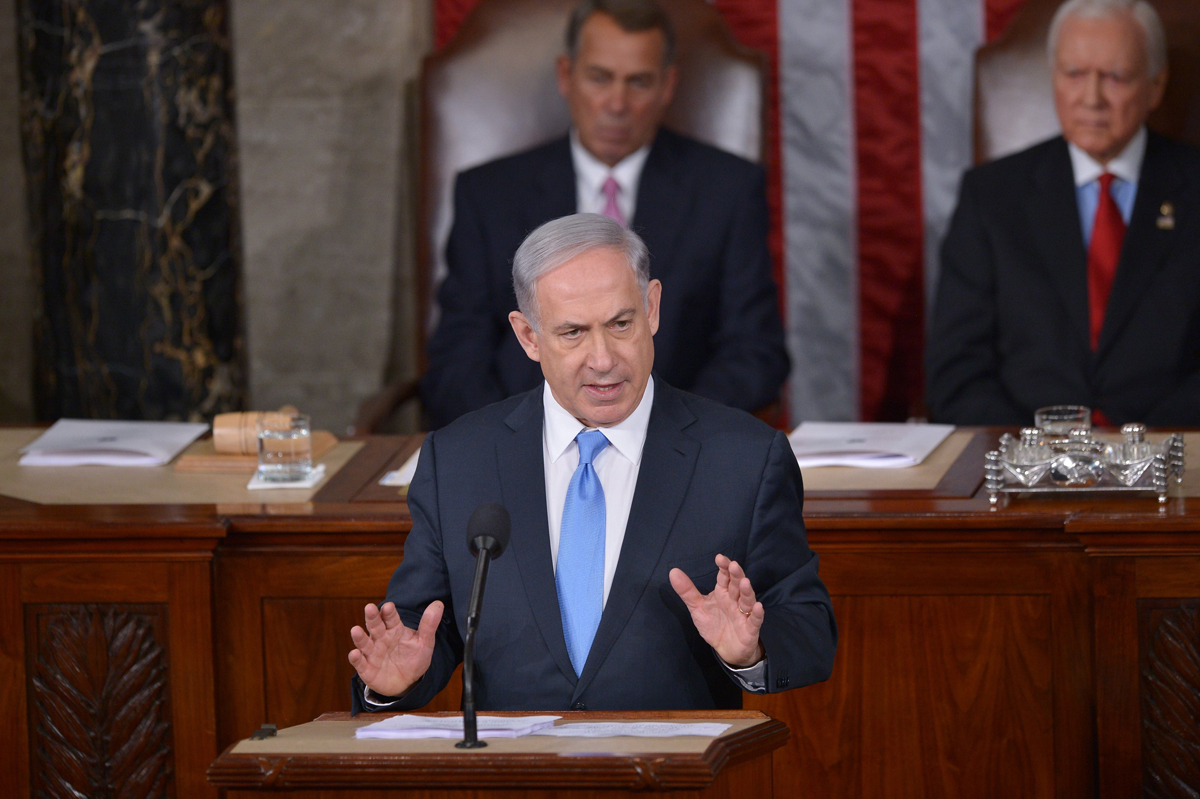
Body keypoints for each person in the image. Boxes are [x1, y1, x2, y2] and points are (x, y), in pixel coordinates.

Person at [349, 214, 835, 712]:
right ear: (528, 337)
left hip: (675, 777)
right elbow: (426, 626)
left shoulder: (744, 458)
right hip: (516, 776)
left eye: (621, 324)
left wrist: (750, 649)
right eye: (573, 333)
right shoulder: (458, 460)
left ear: (652, 308)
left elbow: (809, 628)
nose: (602, 358)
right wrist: (395, 682)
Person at [420, 0, 789, 430]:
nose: (617, 103)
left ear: (668, 86)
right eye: (600, 78)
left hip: (673, 450)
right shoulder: (489, 194)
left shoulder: (727, 189)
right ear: (566, 76)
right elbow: (457, 358)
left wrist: (665, 432)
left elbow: (755, 352)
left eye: (638, 82)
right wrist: (521, 440)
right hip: (525, 448)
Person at [927, 0, 1200, 426]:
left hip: (1172, 461)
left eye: (1115, 77)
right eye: (1074, 74)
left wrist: (1149, 450)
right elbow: (957, 371)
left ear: (1156, 85)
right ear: (1054, 77)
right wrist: (1035, 456)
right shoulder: (991, 196)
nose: (1091, 98)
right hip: (1026, 468)